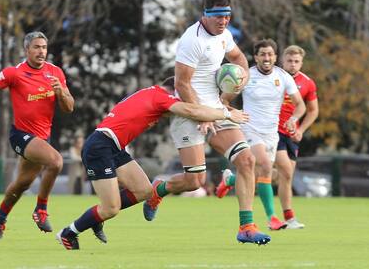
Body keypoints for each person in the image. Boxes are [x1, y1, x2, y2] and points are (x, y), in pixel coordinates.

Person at [56, 77, 249, 250]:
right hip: (100, 147)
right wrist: (227, 114)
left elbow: (193, 110)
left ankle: (98, 216)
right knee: (110, 208)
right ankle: (68, 233)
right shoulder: (162, 97)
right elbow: (191, 109)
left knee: (145, 191)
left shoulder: (152, 92)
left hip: (115, 146)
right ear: (175, 90)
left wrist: (210, 114)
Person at [142, 0, 271, 245]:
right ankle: (159, 188)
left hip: (216, 109)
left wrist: (241, 79)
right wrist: (202, 114)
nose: (224, 21)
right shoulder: (192, 40)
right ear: (205, 15)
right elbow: (182, 83)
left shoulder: (224, 34)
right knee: (195, 182)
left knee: (246, 160)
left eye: (227, 16)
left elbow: (238, 58)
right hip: (188, 111)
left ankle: (246, 227)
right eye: (218, 16)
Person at [0, 31, 74, 239]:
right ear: (27, 50)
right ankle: (41, 209)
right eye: (36, 47)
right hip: (21, 135)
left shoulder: (55, 72)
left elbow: (69, 108)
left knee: (23, 183)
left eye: (44, 47)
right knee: (56, 162)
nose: (41, 52)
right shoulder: (15, 73)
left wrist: (61, 93)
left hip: (41, 139)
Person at [216, 39, 306, 230]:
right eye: (262, 54)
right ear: (256, 57)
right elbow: (224, 100)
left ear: (275, 57)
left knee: (261, 173)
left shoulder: (283, 77)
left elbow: (301, 105)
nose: (267, 58)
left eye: (270, 54)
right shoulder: (246, 76)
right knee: (265, 166)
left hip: (271, 133)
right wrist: (233, 113)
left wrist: (294, 119)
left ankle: (230, 180)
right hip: (250, 129)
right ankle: (272, 218)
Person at [275, 45, 318, 229]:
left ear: (301, 62)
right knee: (285, 170)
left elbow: (313, 111)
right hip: (271, 130)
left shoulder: (307, 83)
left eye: (296, 61)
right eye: (289, 61)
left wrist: (301, 130)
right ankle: (282, 217)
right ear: (283, 61)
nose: (292, 64)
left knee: (286, 176)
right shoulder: (274, 77)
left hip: (291, 134)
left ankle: (289, 219)